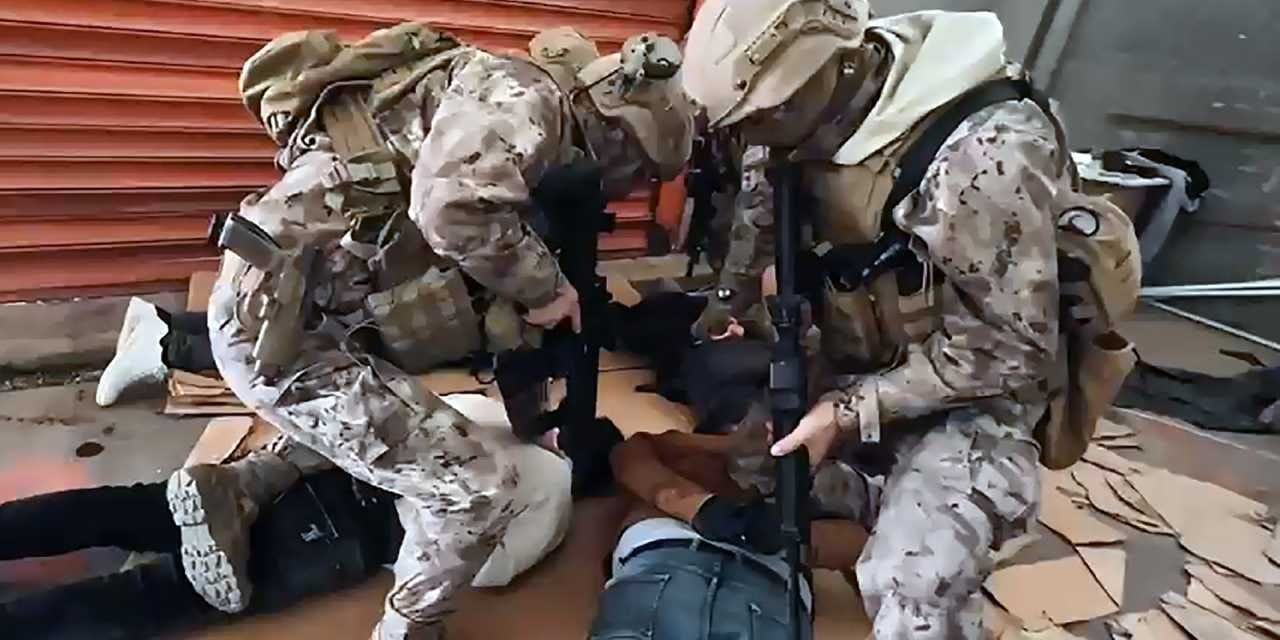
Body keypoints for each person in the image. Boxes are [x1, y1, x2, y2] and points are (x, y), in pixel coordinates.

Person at [198, 22, 693, 640]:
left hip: (298, 310)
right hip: (281, 340)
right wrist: (545, 288)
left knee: (398, 406)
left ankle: (242, 485)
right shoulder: (529, 101)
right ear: (621, 138)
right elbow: (450, 210)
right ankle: (407, 629)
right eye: (639, 171)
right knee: (477, 491)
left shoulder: (491, 91)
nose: (626, 186)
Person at [683, 1, 1072, 637]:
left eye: (765, 117)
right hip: (858, 355)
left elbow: (1011, 350)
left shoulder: (984, 154)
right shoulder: (787, 120)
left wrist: (844, 413)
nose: (754, 137)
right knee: (758, 463)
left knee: (910, 584)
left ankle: (932, 517)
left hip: (974, 394)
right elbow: (759, 220)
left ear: (830, 66)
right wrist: (727, 304)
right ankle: (884, 497)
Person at [0, 395, 575, 640]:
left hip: (312, 477)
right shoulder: (555, 499)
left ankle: (230, 494)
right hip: (350, 532)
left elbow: (372, 419)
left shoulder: (486, 410)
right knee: (155, 594)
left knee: (123, 510)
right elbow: (481, 570)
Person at [594, 418, 870, 640]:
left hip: (767, 587)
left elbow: (862, 544)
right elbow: (628, 453)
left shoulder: (812, 478)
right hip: (669, 556)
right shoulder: (687, 458)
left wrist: (790, 536)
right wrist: (696, 503)